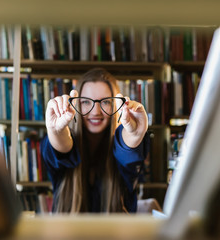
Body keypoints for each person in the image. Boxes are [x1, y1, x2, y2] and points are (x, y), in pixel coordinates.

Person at [41, 68, 149, 213]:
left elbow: (127, 152)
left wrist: (134, 135)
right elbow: (61, 150)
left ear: (116, 105)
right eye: (86, 102)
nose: (95, 111)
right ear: (76, 104)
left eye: (105, 102)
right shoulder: (67, 142)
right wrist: (56, 131)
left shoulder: (121, 144)